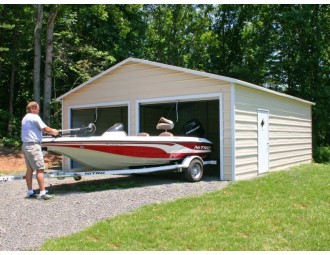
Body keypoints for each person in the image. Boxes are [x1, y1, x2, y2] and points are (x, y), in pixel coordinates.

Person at [21, 101, 59, 200]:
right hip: (33, 146)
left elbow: (36, 130)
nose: (38, 111)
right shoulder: (34, 117)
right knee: (40, 169)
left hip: (25, 146)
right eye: (38, 109)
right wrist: (55, 132)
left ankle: (30, 192)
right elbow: (45, 128)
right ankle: (42, 193)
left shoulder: (25, 118)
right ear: (33, 108)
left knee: (30, 169)